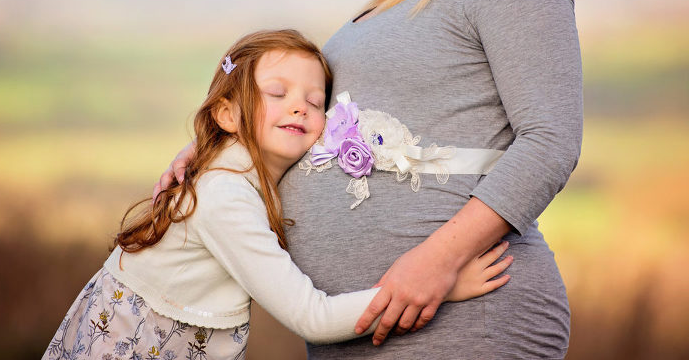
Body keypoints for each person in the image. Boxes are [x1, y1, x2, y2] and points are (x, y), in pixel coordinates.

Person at [158, 0, 583, 360]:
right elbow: (307, 124)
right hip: (364, 328)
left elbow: (550, 141)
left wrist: (434, 263)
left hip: (462, 318)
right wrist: (221, 150)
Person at [44, 29, 513, 360]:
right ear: (227, 114)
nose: (299, 105)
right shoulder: (224, 195)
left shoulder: (241, 169)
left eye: (315, 100)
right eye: (277, 92)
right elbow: (312, 317)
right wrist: (438, 287)